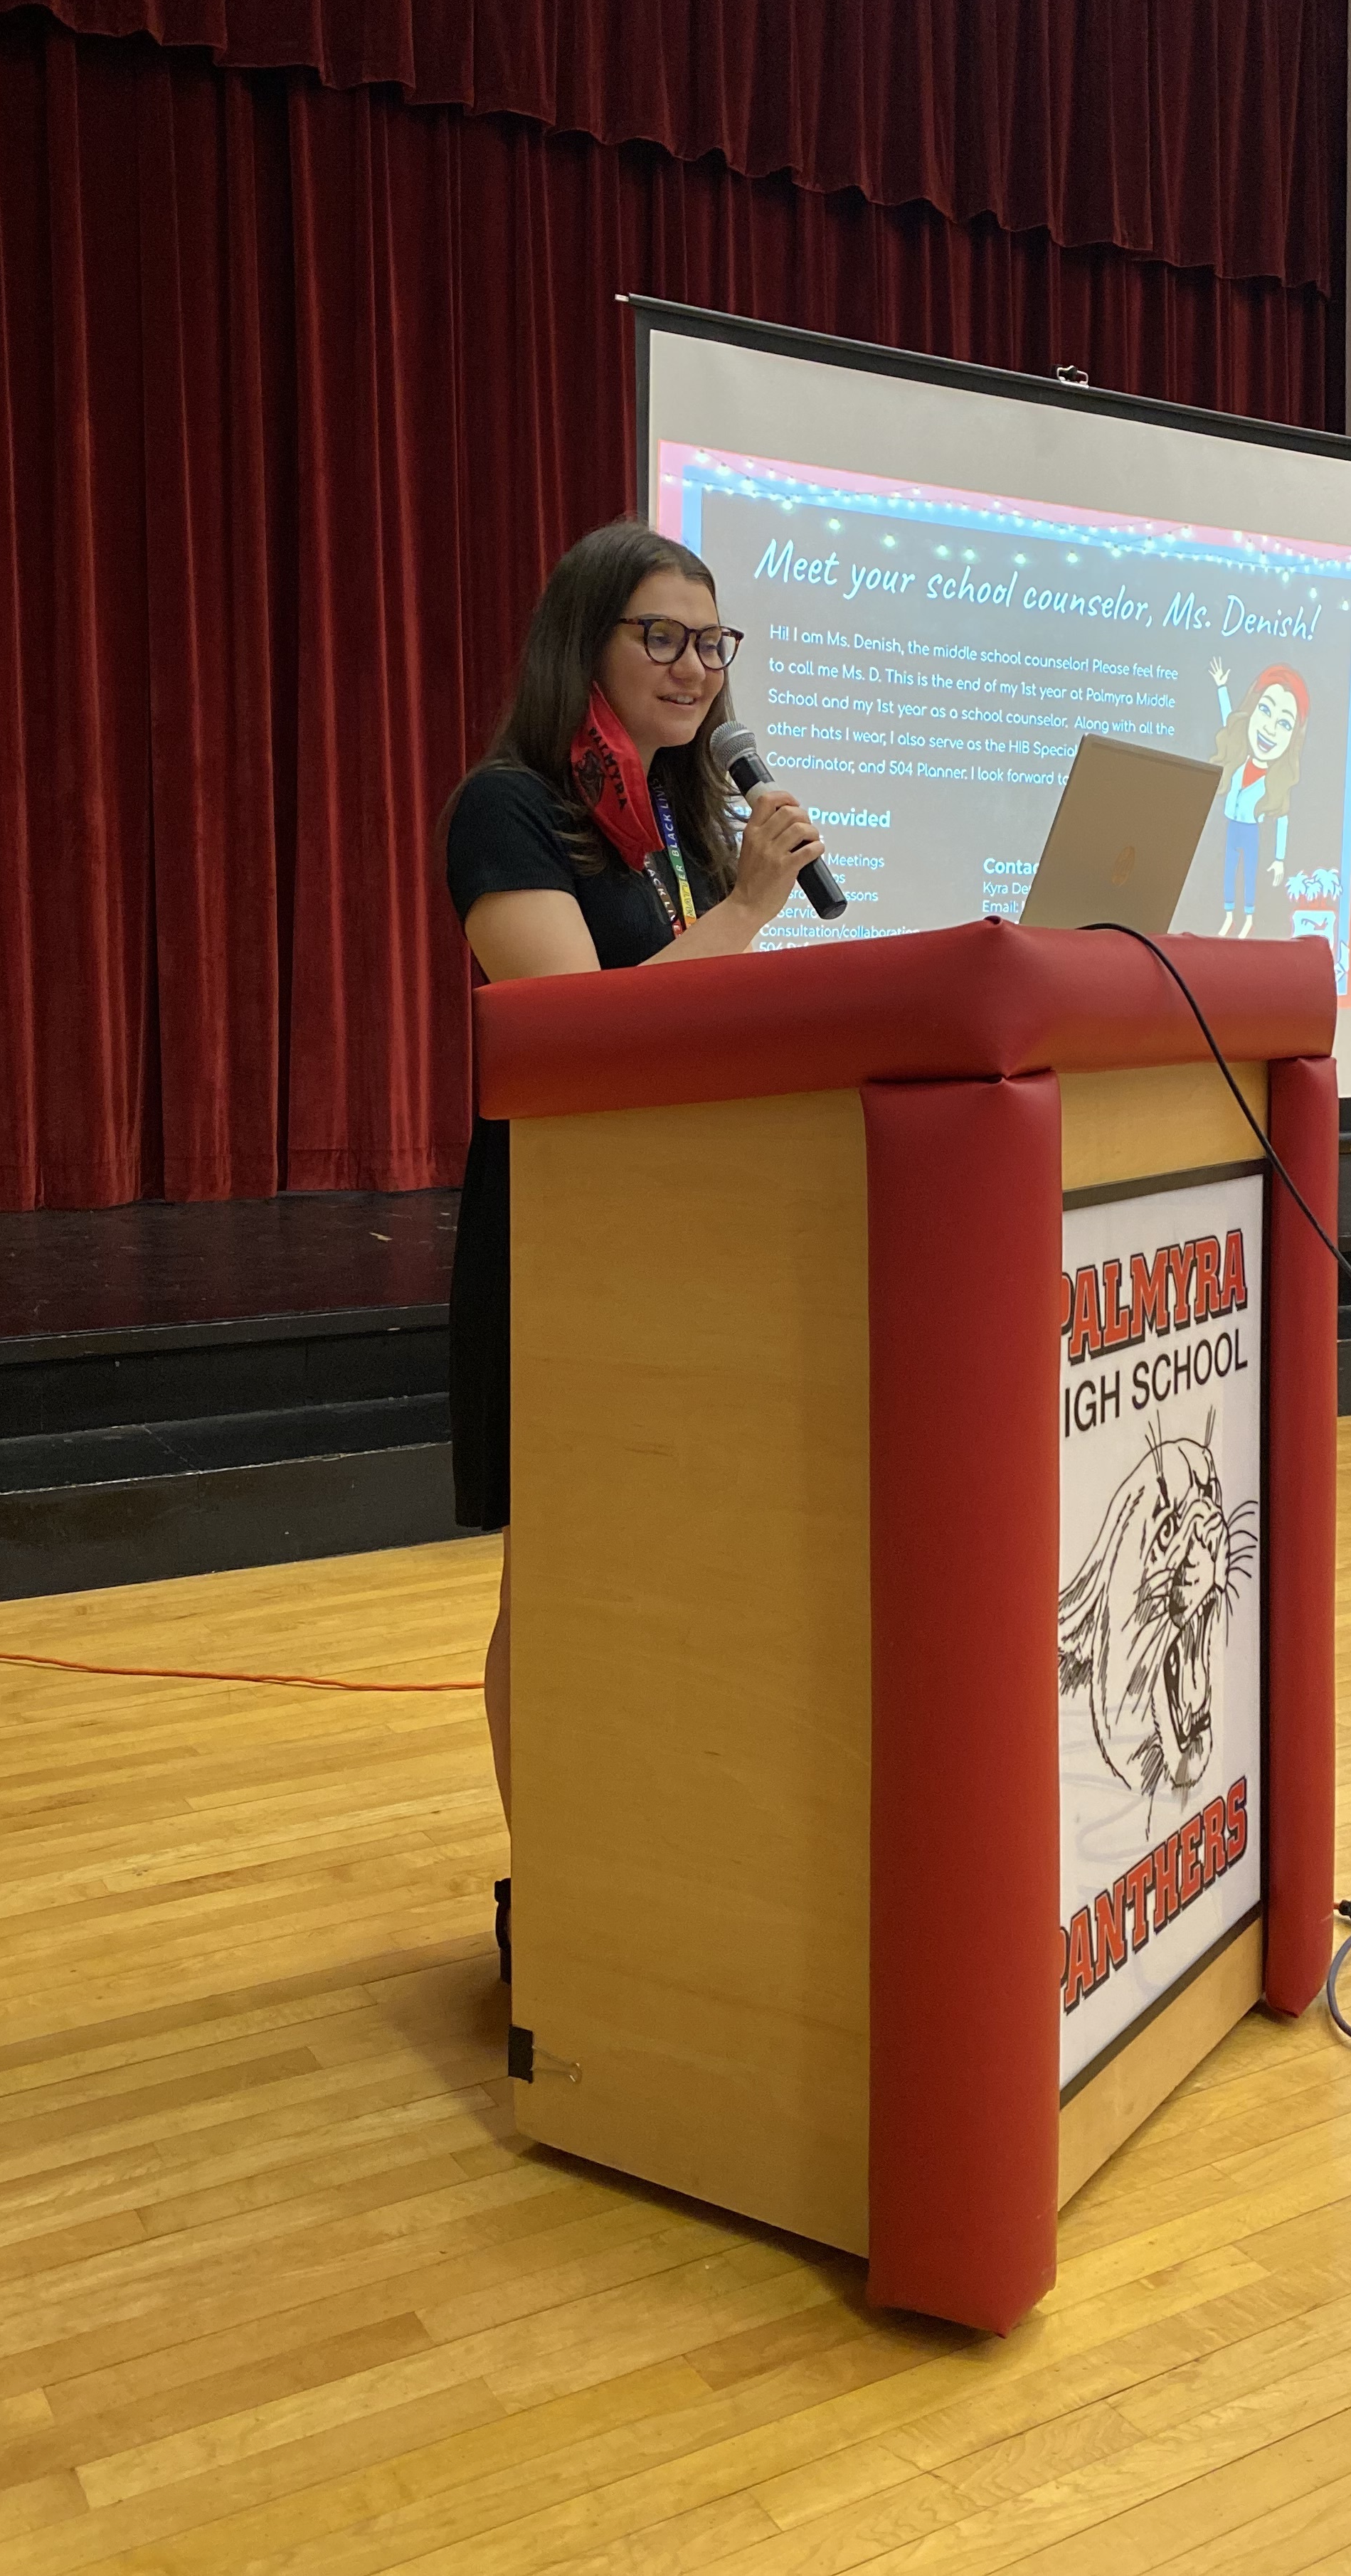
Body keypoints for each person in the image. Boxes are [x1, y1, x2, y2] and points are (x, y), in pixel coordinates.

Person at [443, 520, 826, 1966]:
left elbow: (703, 1023)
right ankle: (555, 1895)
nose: (693, 665)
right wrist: (748, 911)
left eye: (711, 642)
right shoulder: (510, 809)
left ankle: (655, 1863)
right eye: (660, 636)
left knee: (672, 1567)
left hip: (689, 1233)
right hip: (566, 1237)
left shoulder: (680, 818)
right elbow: (578, 1036)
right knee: (557, 1580)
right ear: (583, 645)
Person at [1209, 659, 1310, 937]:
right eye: (1265, 710)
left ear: (1293, 738)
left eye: (1284, 723)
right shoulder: (1238, 762)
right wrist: (1221, 688)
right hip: (1232, 826)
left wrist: (1279, 858)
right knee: (1229, 872)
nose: (1270, 729)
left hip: (1251, 831)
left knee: (1248, 875)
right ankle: (1229, 916)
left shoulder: (1275, 782)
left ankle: (1249, 919)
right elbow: (1229, 719)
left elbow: (1283, 821)